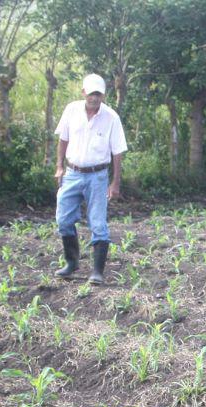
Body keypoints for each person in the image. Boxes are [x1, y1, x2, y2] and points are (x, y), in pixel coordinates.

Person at [53, 73, 127, 285]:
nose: (94, 98)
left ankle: (97, 271)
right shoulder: (71, 110)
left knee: (98, 222)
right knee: (64, 219)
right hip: (73, 173)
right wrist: (59, 166)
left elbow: (117, 152)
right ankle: (72, 262)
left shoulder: (111, 117)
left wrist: (115, 183)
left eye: (98, 94)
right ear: (83, 92)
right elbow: (63, 139)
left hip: (97, 176)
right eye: (91, 93)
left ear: (103, 95)